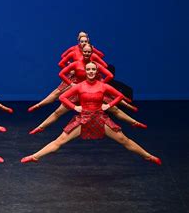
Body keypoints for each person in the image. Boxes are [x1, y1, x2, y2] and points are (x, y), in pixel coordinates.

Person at [21, 62, 161, 165]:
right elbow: (62, 97)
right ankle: (35, 156)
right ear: (86, 71)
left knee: (124, 140)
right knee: (60, 141)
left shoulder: (103, 86)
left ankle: (148, 156)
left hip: (100, 118)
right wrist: (74, 108)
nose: (91, 71)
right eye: (88, 69)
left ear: (97, 71)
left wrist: (109, 105)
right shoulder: (80, 86)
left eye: (93, 69)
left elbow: (119, 96)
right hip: (83, 119)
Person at [28, 44, 146, 134]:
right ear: (82, 51)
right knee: (58, 111)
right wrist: (71, 83)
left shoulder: (95, 63)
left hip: (93, 90)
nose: (87, 53)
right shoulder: (76, 63)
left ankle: (134, 122)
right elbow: (62, 71)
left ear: (91, 52)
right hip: (79, 90)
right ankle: (40, 127)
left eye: (89, 51)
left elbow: (109, 74)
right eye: (85, 51)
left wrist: (101, 84)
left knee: (114, 109)